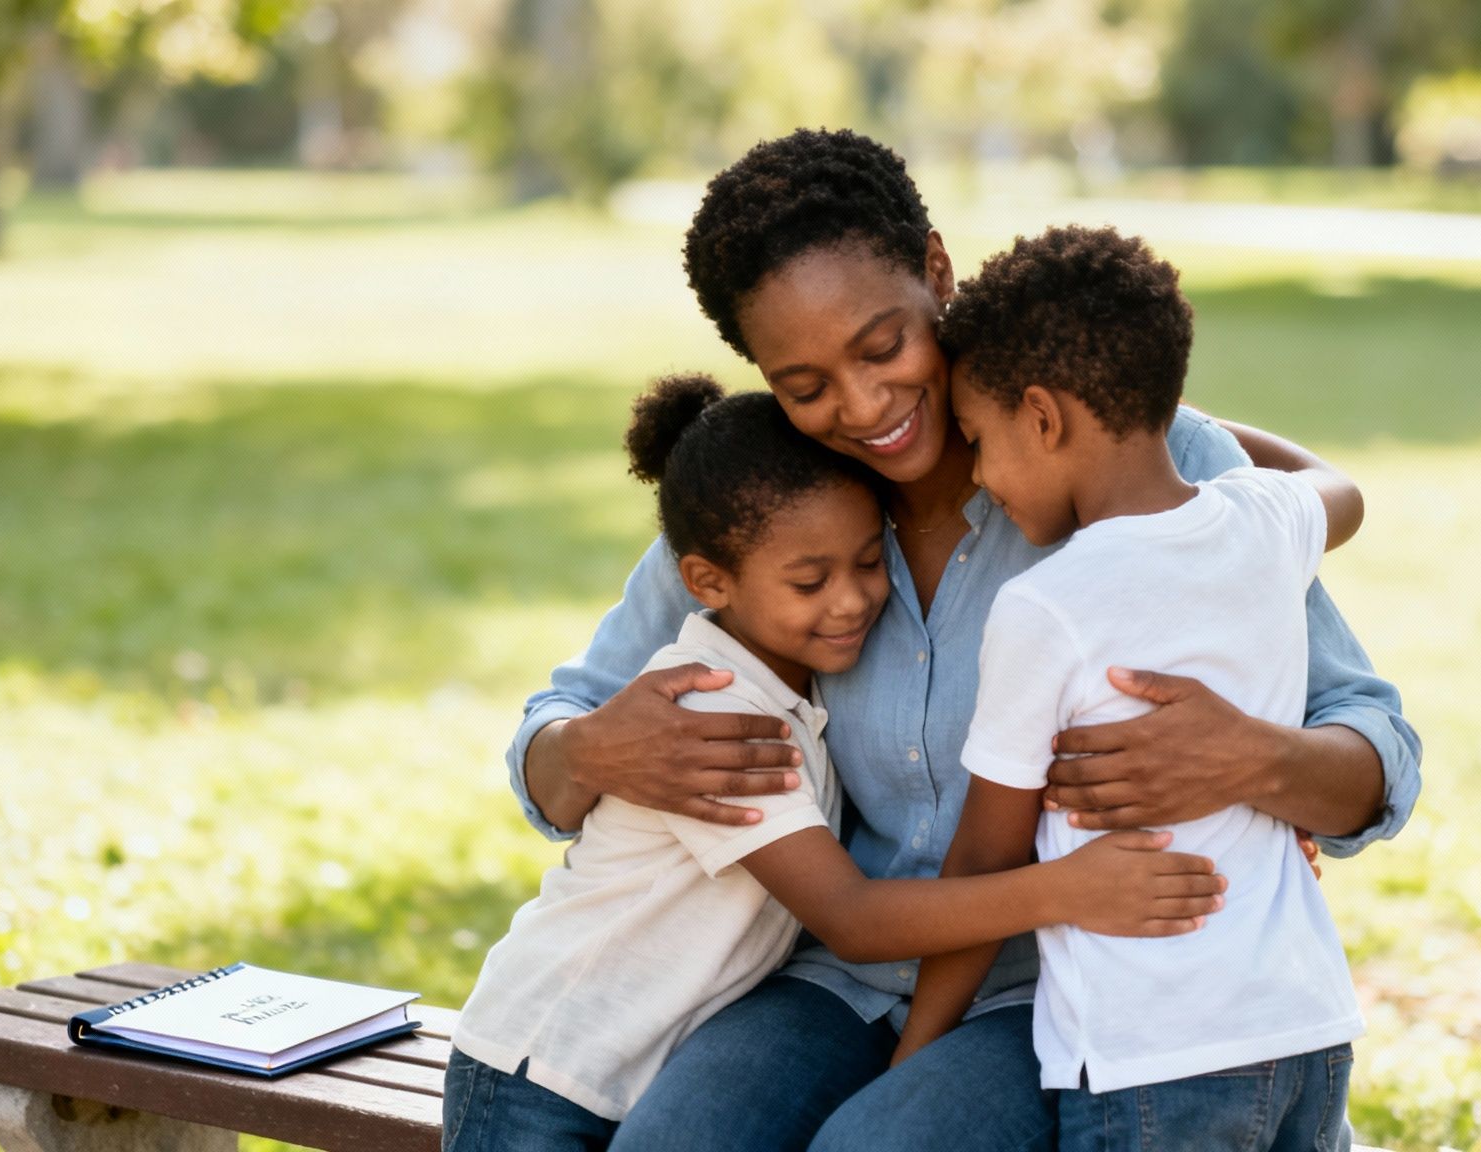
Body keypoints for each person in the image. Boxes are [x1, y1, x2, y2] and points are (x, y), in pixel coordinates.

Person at [508, 129, 1422, 1152]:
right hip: (834, 976)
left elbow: (1375, 756)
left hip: (1060, 987)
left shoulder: (1139, 469)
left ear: (935, 271)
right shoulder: (769, 503)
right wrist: (582, 750)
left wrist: (1260, 758)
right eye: (804, 386)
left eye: (881, 345)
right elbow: (558, 736)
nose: (861, 407)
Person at [447, 374, 1227, 1152]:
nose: (852, 601)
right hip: (541, 1064)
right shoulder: (718, 722)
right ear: (707, 584)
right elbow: (851, 919)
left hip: (619, 1060)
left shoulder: (788, 688)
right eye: (810, 581)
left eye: (866, 561)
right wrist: (1067, 890)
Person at [897, 225, 1367, 1152]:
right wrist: (1153, 404)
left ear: (1044, 416)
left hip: (1151, 1056)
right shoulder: (1258, 523)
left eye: (980, 441)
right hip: (1306, 1029)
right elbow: (1337, 486)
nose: (981, 481)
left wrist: (916, 1050)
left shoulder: (1046, 606)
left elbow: (984, 864)